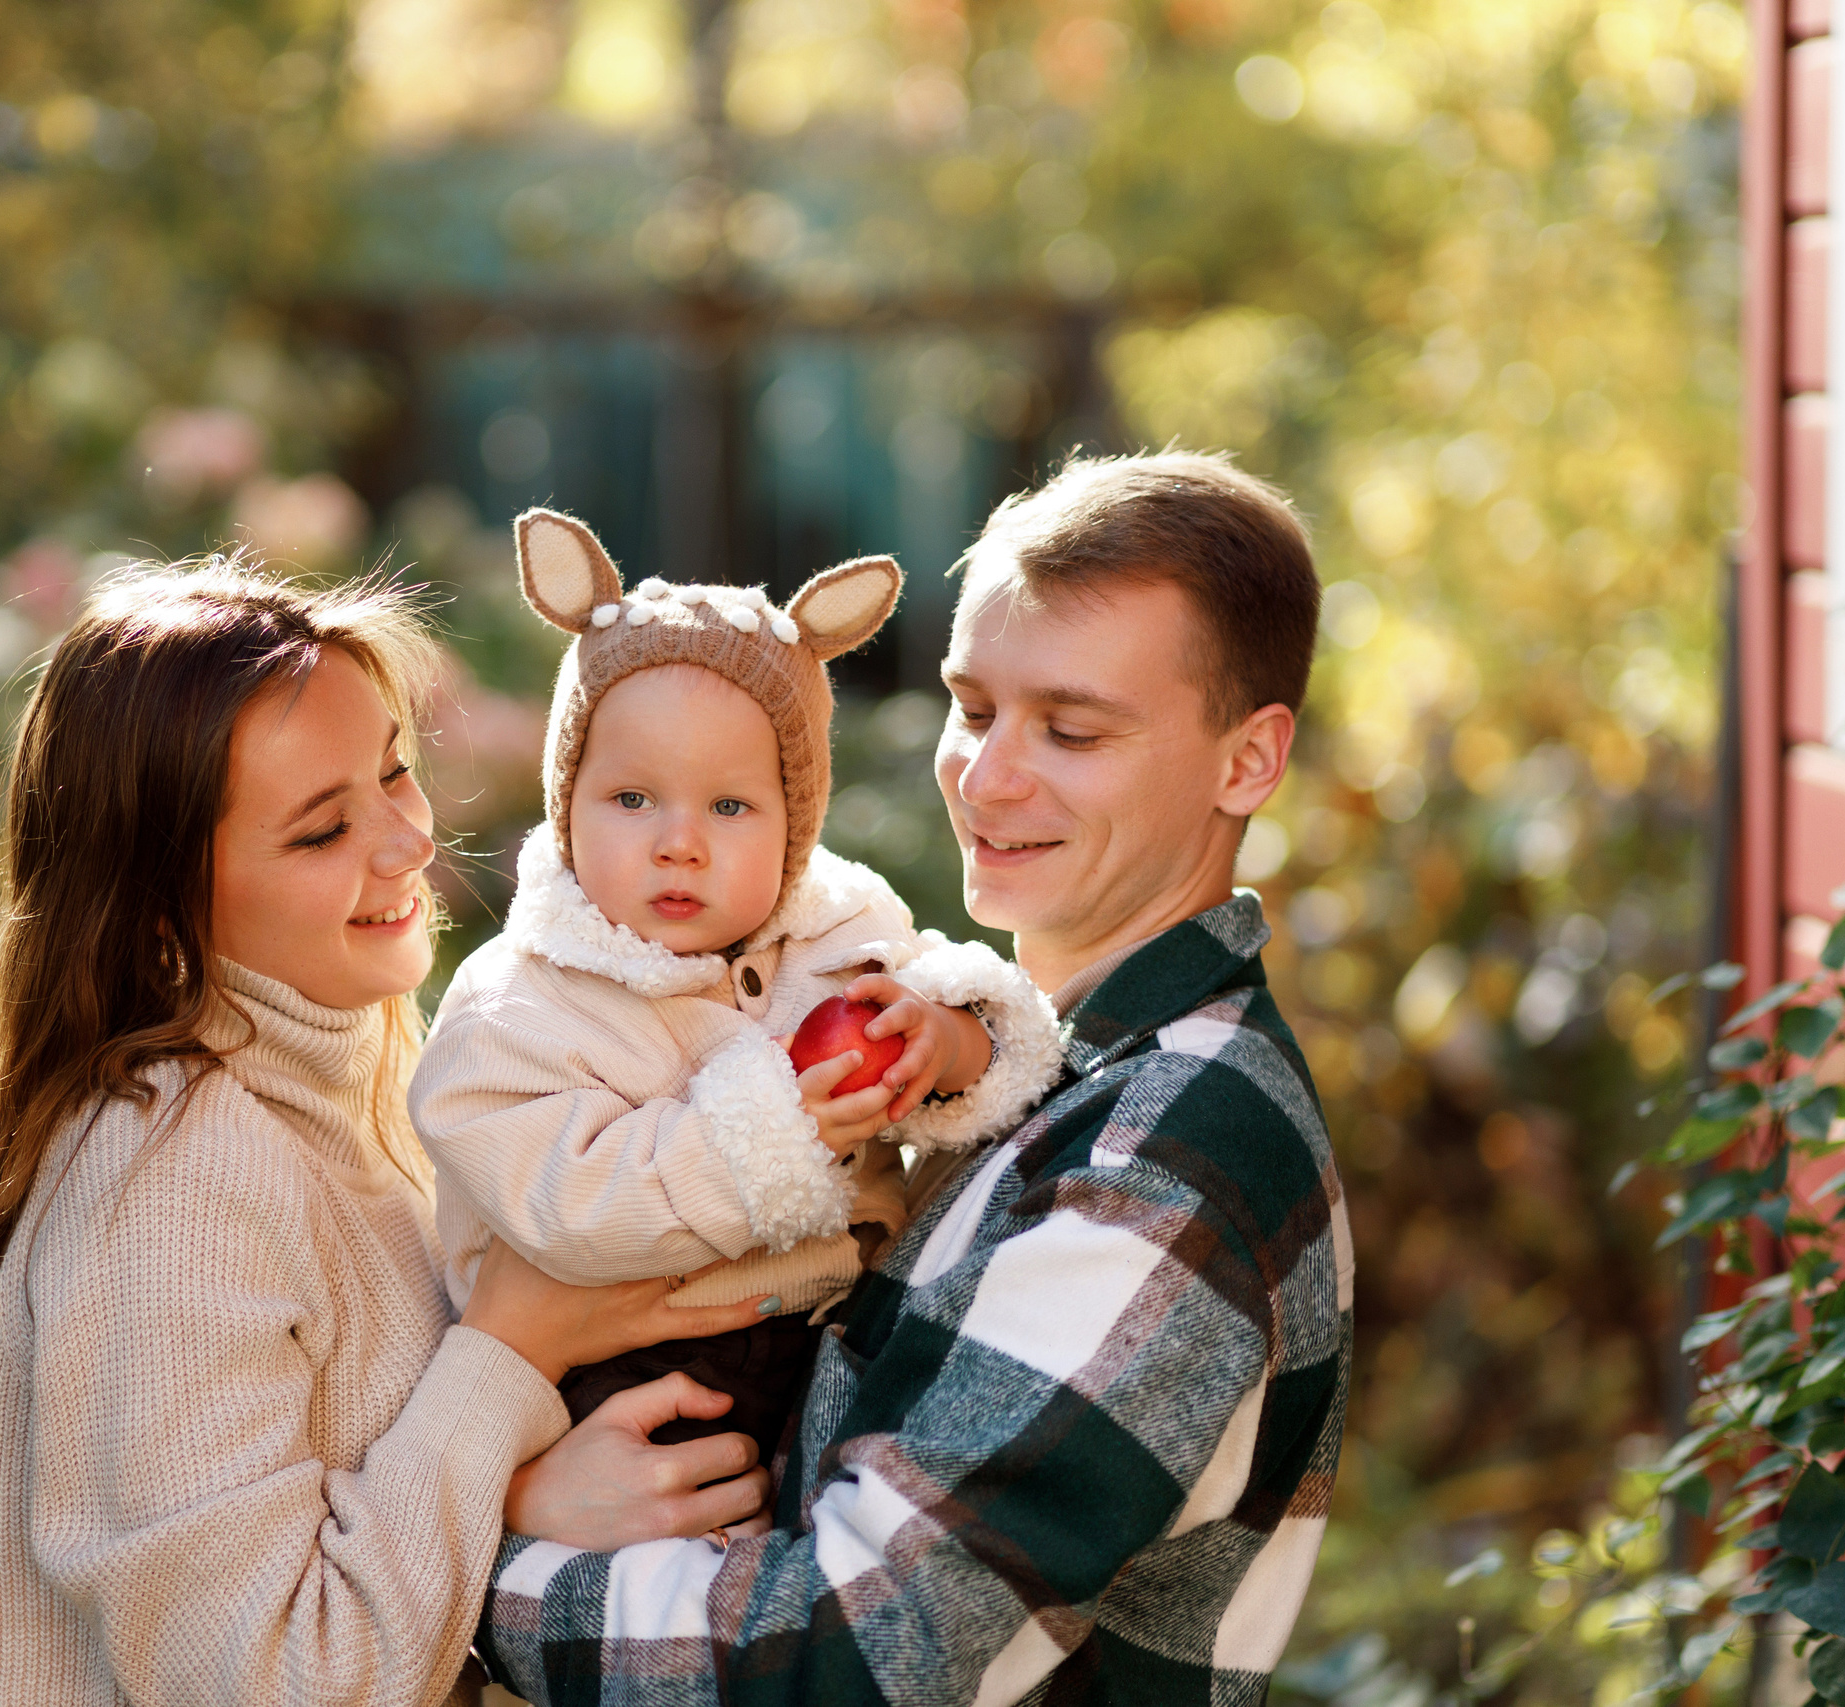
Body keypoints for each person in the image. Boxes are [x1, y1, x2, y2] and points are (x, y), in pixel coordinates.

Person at [480, 451, 1355, 1704]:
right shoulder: (1034, 1067)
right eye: (973, 705)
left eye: (1072, 728)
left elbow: (840, 1662)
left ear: (1246, 763)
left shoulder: (1158, 1156)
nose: (986, 776)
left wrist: (474, 1557)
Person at [0, 562, 783, 1707]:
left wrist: (509, 1499)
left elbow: (340, 1494)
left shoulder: (357, 1065)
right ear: (163, 903)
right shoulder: (168, 1181)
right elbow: (274, 1679)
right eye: (323, 831)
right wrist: (513, 1355)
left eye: (394, 774)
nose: (407, 844)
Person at [413, 510, 1064, 1458]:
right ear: (567, 806)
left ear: (795, 824)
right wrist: (773, 1129)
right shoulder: (516, 1003)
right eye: (632, 799)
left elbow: (992, 1036)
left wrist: (952, 1041)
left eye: (730, 805)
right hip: (625, 1361)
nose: (680, 841)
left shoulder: (840, 928)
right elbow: (569, 1208)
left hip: (837, 1324)